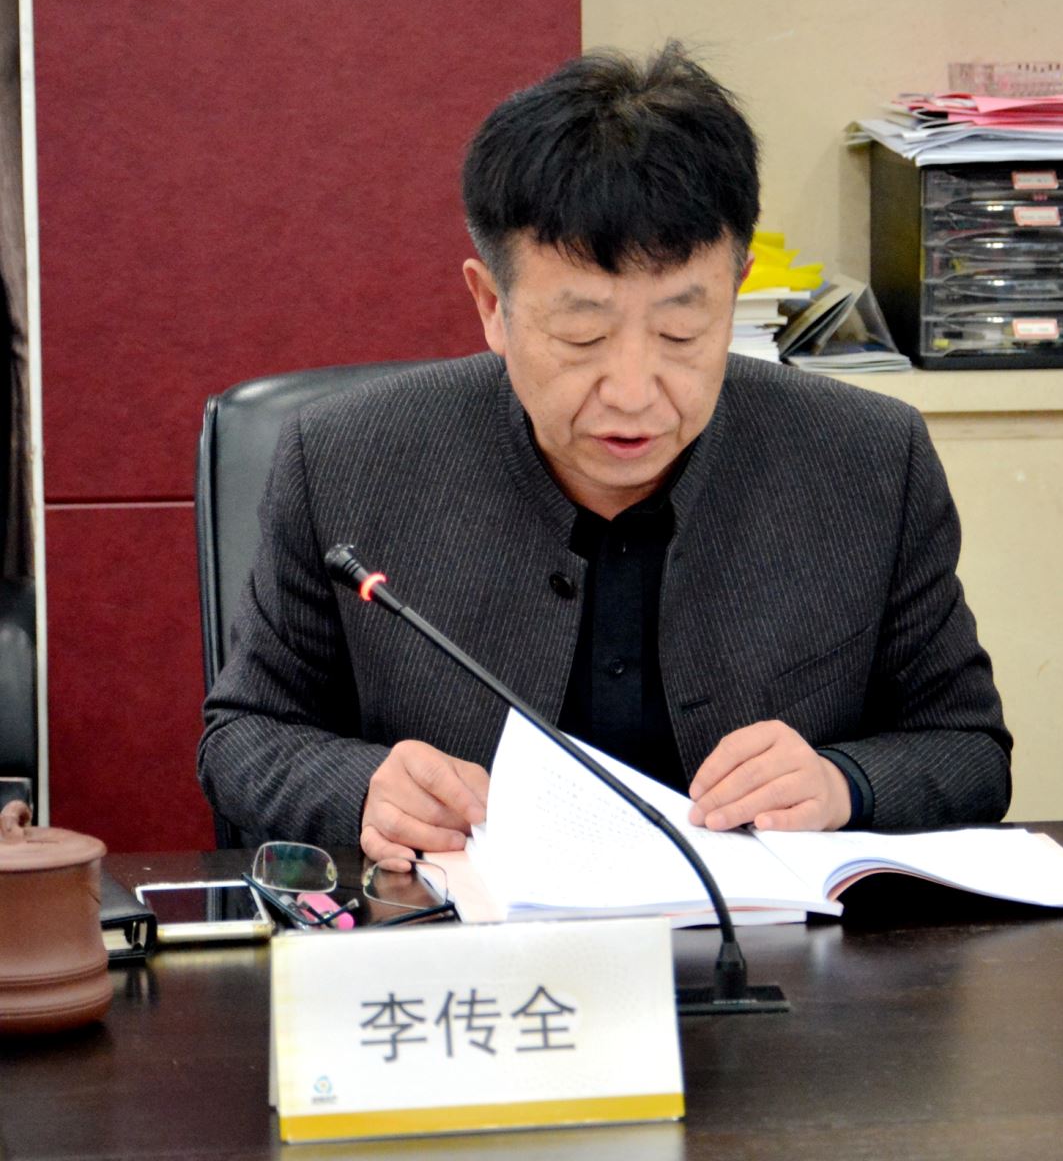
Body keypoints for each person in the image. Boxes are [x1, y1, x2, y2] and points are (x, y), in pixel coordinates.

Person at [198, 43, 1012, 866]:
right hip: (464, 934)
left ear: (735, 291)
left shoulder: (867, 461)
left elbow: (966, 749)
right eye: (581, 334)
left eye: (681, 331)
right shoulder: (346, 459)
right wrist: (365, 789)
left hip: (761, 938)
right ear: (491, 304)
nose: (631, 391)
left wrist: (843, 784)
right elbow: (245, 735)